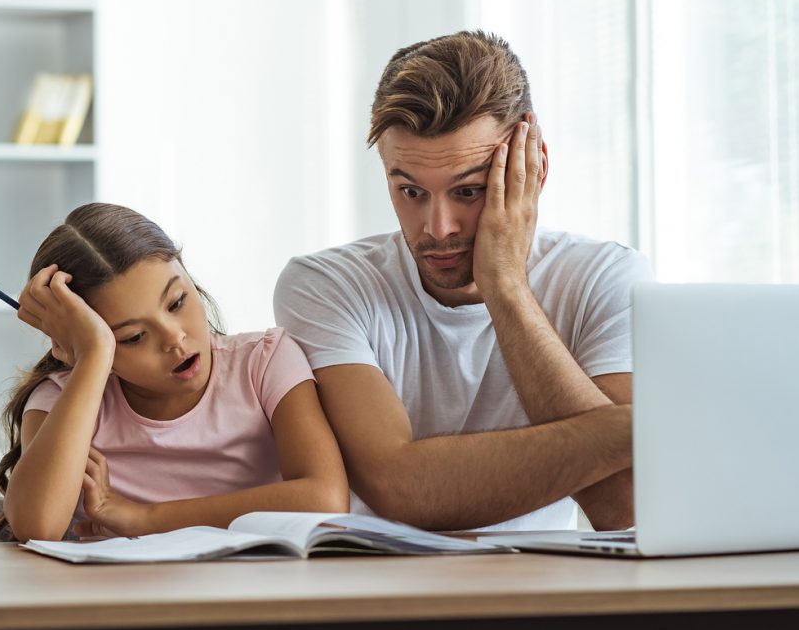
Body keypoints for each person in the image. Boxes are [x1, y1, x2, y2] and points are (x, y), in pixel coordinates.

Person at [273, 30, 653, 532]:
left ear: (533, 169)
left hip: (545, 594)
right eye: (409, 190)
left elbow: (624, 507)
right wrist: (640, 430)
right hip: (376, 591)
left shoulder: (602, 278)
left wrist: (507, 288)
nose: (438, 227)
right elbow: (399, 488)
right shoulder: (325, 285)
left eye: (469, 191)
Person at [0, 203, 348, 542]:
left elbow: (326, 501)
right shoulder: (64, 399)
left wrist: (145, 518)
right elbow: (38, 526)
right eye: (133, 337)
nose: (175, 338)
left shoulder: (265, 364)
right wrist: (93, 356)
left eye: (177, 302)